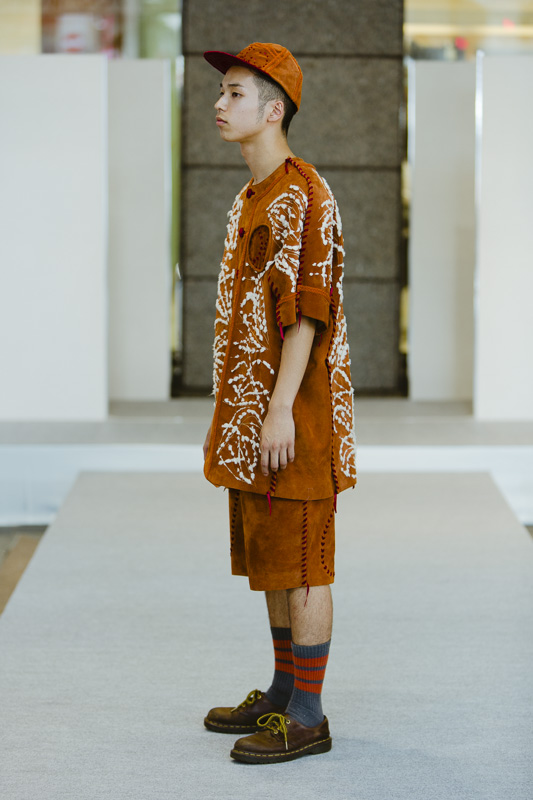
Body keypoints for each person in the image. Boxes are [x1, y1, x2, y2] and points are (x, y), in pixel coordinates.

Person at [201, 42, 357, 764]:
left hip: (295, 415)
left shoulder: (306, 192)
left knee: (303, 560)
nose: (219, 103)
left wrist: (279, 408)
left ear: (273, 111)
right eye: (222, 91)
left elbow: (308, 313)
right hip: (254, 417)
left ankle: (310, 715)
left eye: (235, 93)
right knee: (272, 554)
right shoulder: (250, 196)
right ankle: (282, 691)